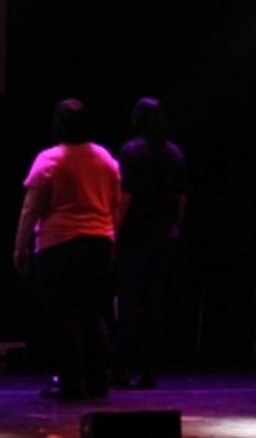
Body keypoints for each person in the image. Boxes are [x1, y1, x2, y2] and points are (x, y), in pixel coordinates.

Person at [14, 98, 121, 400]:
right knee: (93, 313)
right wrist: (111, 239)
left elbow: (31, 208)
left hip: (59, 246)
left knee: (65, 315)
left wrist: (20, 246)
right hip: (99, 243)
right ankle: (98, 381)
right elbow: (115, 204)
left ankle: (72, 383)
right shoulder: (105, 158)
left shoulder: (50, 159)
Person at [111, 97, 188, 390]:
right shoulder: (174, 153)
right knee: (155, 305)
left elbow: (125, 197)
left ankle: (121, 370)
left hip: (135, 236)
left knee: (128, 304)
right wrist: (174, 226)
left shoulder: (131, 151)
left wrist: (113, 233)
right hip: (164, 237)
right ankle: (150, 371)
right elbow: (182, 197)